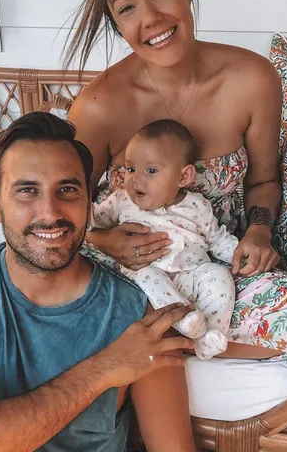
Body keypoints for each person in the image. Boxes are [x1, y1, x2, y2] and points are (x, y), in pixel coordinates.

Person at [64, 0, 287, 361]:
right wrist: (101, 241)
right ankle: (174, 339)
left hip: (214, 264)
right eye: (126, 8)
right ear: (116, 22)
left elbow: (263, 180)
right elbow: (65, 206)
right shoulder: (99, 106)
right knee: (72, 310)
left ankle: (168, 343)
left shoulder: (252, 79)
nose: (150, 19)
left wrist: (259, 231)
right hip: (131, 273)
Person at [0, 112, 199, 452]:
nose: (50, 212)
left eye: (67, 190)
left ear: (89, 203)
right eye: (27, 190)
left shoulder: (137, 312)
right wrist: (104, 369)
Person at [93, 119, 238, 360]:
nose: (136, 179)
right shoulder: (121, 202)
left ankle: (210, 336)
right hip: (150, 282)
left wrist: (240, 255)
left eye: (151, 171)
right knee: (145, 275)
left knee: (218, 275)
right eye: (130, 169)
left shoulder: (197, 206)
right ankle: (183, 320)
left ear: (183, 176)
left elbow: (217, 239)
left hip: (191, 275)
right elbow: (93, 218)